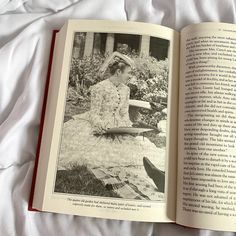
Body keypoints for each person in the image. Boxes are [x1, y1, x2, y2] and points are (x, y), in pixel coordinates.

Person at [57, 51, 165, 194]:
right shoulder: (99, 88)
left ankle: (157, 174)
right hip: (100, 125)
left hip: (118, 127)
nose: (130, 77)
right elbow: (94, 113)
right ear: (118, 72)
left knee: (135, 151)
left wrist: (128, 127)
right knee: (96, 154)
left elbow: (123, 113)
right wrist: (100, 126)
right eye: (128, 73)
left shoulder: (126, 90)